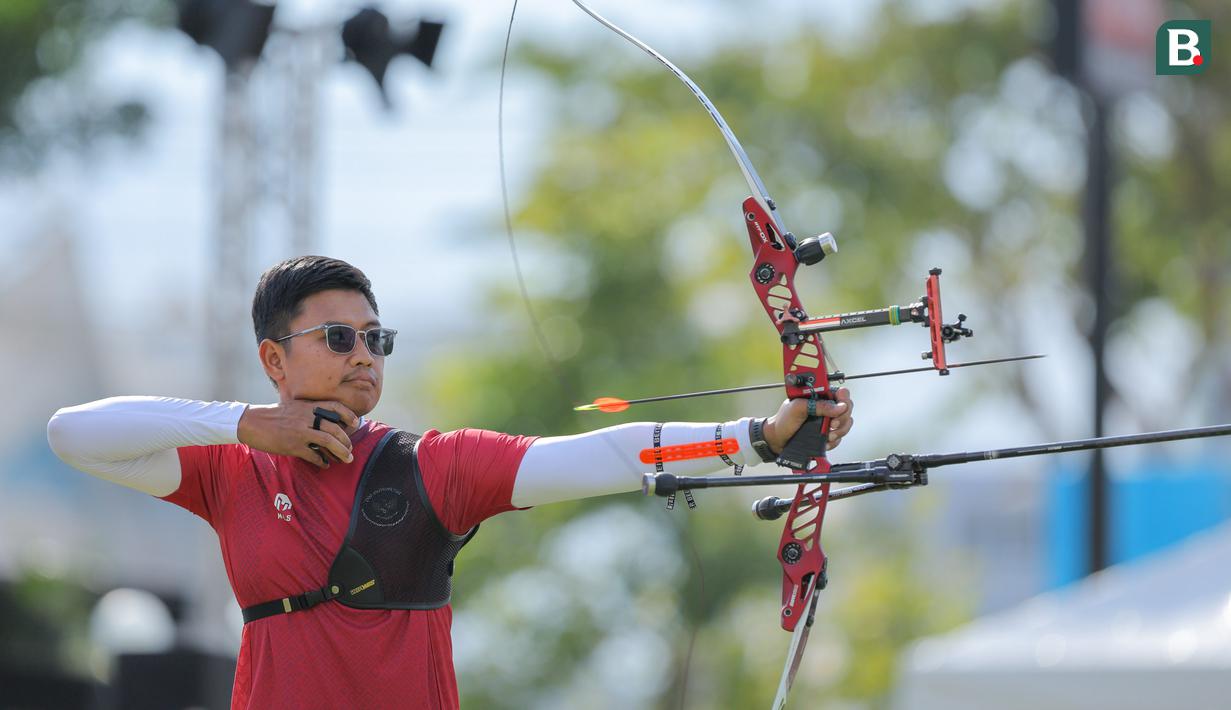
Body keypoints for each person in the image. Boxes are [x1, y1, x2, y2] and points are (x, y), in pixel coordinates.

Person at [46, 255, 854, 709]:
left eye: (376, 337)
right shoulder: (228, 469)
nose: (365, 354)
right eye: (338, 336)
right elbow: (72, 434)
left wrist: (755, 435)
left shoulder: (431, 464)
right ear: (274, 360)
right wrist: (244, 422)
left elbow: (604, 456)